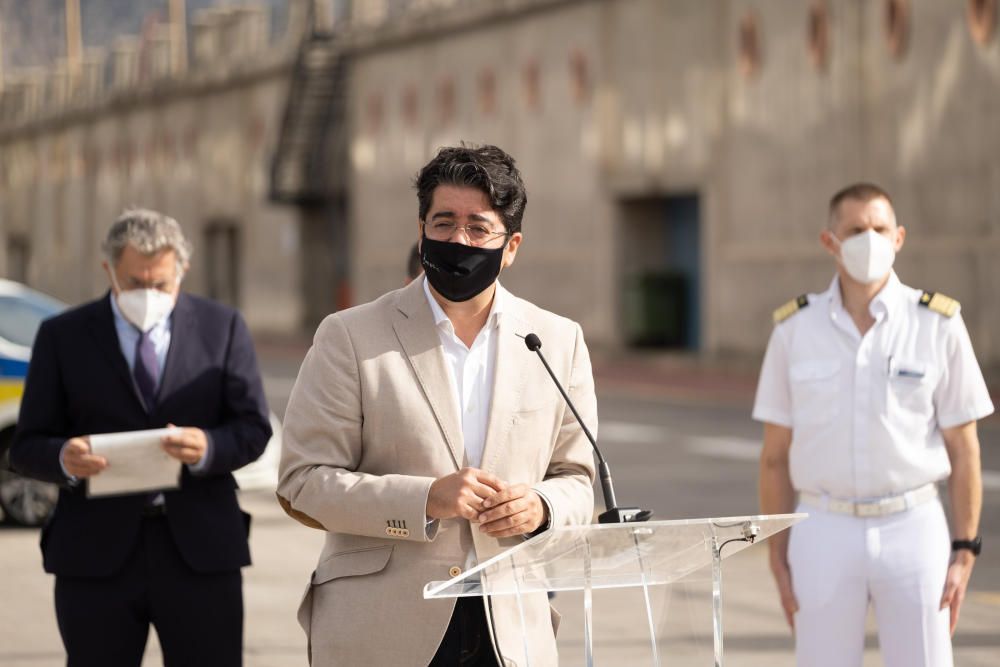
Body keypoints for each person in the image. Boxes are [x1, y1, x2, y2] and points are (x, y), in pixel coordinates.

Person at [277, 144, 597, 666]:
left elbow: (579, 481)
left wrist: (540, 507)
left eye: (478, 227)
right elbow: (302, 482)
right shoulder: (350, 336)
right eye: (443, 223)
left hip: (510, 626)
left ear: (511, 245)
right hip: (382, 627)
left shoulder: (557, 341)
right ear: (421, 228)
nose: (458, 240)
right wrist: (425, 499)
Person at [11, 209, 272, 667]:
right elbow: (26, 445)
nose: (149, 295)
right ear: (108, 270)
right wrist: (64, 459)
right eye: (135, 283)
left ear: (182, 271)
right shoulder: (62, 336)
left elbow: (253, 428)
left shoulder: (223, 327)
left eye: (161, 284)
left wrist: (208, 448)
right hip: (94, 556)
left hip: (201, 552)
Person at [754, 183, 993, 667]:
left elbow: (965, 449)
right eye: (856, 230)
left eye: (880, 229)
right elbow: (774, 457)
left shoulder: (938, 323)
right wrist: (777, 556)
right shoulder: (793, 330)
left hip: (914, 524)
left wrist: (965, 549)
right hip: (822, 527)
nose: (870, 239)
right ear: (830, 242)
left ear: (899, 237)